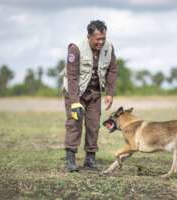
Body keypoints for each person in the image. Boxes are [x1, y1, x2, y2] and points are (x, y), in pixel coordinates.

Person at [62, 20, 118, 172]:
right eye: (97, 39)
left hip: (94, 93)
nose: (101, 42)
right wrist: (74, 102)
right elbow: (72, 76)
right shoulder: (75, 49)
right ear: (89, 36)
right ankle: (70, 159)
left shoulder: (109, 47)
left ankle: (90, 159)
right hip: (75, 93)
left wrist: (110, 93)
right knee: (74, 123)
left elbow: (112, 70)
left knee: (93, 125)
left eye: (103, 38)